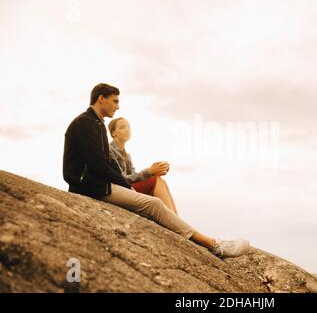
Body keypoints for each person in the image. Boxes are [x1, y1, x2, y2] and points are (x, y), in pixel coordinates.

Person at [63, 83, 249, 258]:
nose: (118, 106)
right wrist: (126, 184)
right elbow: (98, 165)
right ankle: (215, 245)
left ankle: (190, 233)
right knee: (154, 205)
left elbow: (105, 165)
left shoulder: (96, 123)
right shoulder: (86, 123)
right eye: (115, 101)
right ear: (101, 99)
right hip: (89, 186)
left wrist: (126, 185)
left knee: (151, 208)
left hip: (97, 183)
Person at [107, 117, 178, 215]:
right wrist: (149, 172)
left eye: (129, 127)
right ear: (113, 133)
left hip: (128, 188)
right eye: (123, 127)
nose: (127, 129)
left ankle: (175, 217)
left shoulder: (127, 156)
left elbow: (133, 176)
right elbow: (121, 179)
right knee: (155, 180)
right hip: (119, 191)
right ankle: (173, 219)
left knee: (159, 180)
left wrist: (154, 171)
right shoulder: (110, 150)